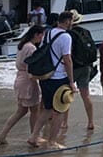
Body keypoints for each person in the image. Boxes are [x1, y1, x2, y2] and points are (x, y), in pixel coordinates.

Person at [27, 11, 77, 149]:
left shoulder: (48, 33)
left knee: (47, 109)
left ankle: (33, 136)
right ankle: (52, 141)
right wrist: (72, 81)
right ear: (67, 21)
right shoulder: (66, 36)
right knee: (60, 111)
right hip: (59, 77)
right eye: (71, 21)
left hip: (46, 76)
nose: (72, 24)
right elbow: (67, 59)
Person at [0, 25, 46, 144]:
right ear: (36, 34)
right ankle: (34, 136)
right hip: (28, 81)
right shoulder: (31, 48)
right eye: (41, 35)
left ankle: (2, 135)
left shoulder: (22, 45)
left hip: (20, 79)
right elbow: (31, 67)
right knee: (34, 110)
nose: (42, 37)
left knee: (22, 111)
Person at [65, 10, 95, 130]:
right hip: (86, 67)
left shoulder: (68, 34)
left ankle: (64, 122)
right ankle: (90, 122)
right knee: (86, 95)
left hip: (73, 68)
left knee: (66, 95)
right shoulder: (86, 32)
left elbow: (68, 54)